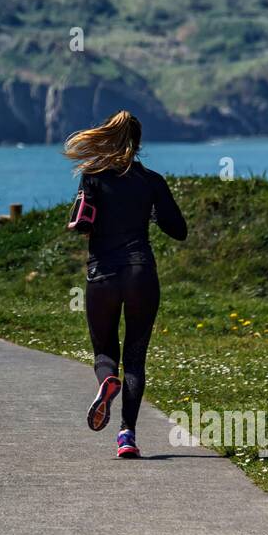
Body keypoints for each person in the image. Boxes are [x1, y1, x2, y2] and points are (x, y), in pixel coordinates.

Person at [65, 111, 187, 458]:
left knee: (105, 352)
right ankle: (127, 435)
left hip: (101, 274)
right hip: (140, 273)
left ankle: (107, 382)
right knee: (135, 357)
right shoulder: (152, 181)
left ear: (107, 137)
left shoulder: (92, 177)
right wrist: (150, 212)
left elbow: (81, 223)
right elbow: (179, 230)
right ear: (138, 142)